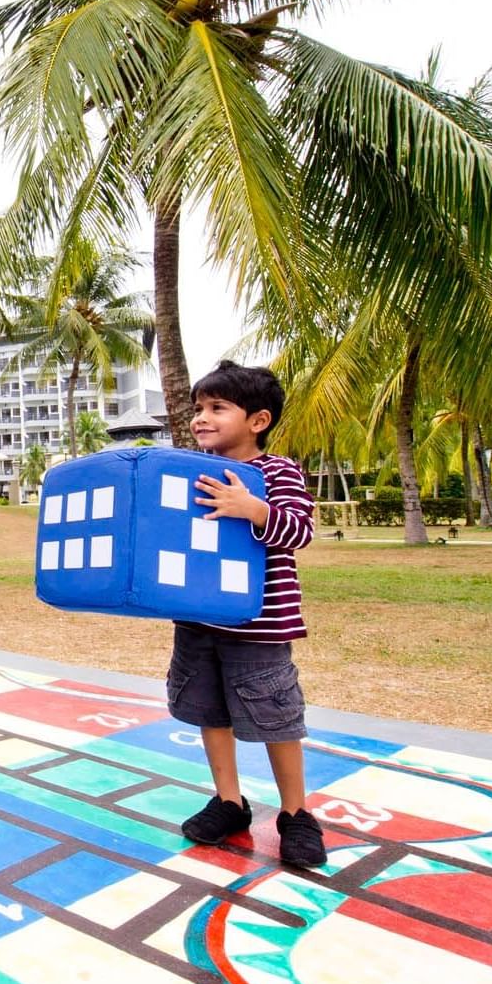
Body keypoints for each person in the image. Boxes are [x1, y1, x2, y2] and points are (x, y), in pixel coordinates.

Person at [168, 360, 325, 868]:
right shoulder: (192, 471)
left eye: (217, 408)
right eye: (198, 409)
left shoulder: (278, 471)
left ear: (258, 420)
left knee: (277, 718)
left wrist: (251, 507)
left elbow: (298, 531)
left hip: (259, 626)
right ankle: (229, 802)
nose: (202, 418)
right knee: (208, 713)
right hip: (197, 622)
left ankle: (296, 815)